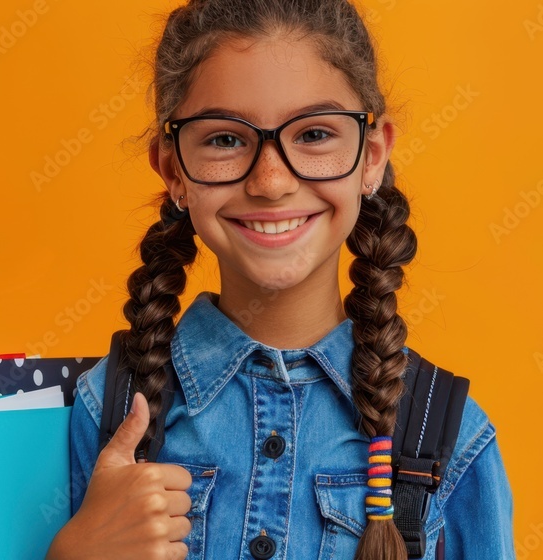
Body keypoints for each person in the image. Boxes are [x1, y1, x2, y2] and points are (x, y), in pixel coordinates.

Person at [47, 0, 514, 558]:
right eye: (225, 139)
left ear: (372, 154)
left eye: (314, 134)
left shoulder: (451, 437)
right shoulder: (108, 409)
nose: (271, 181)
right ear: (174, 170)